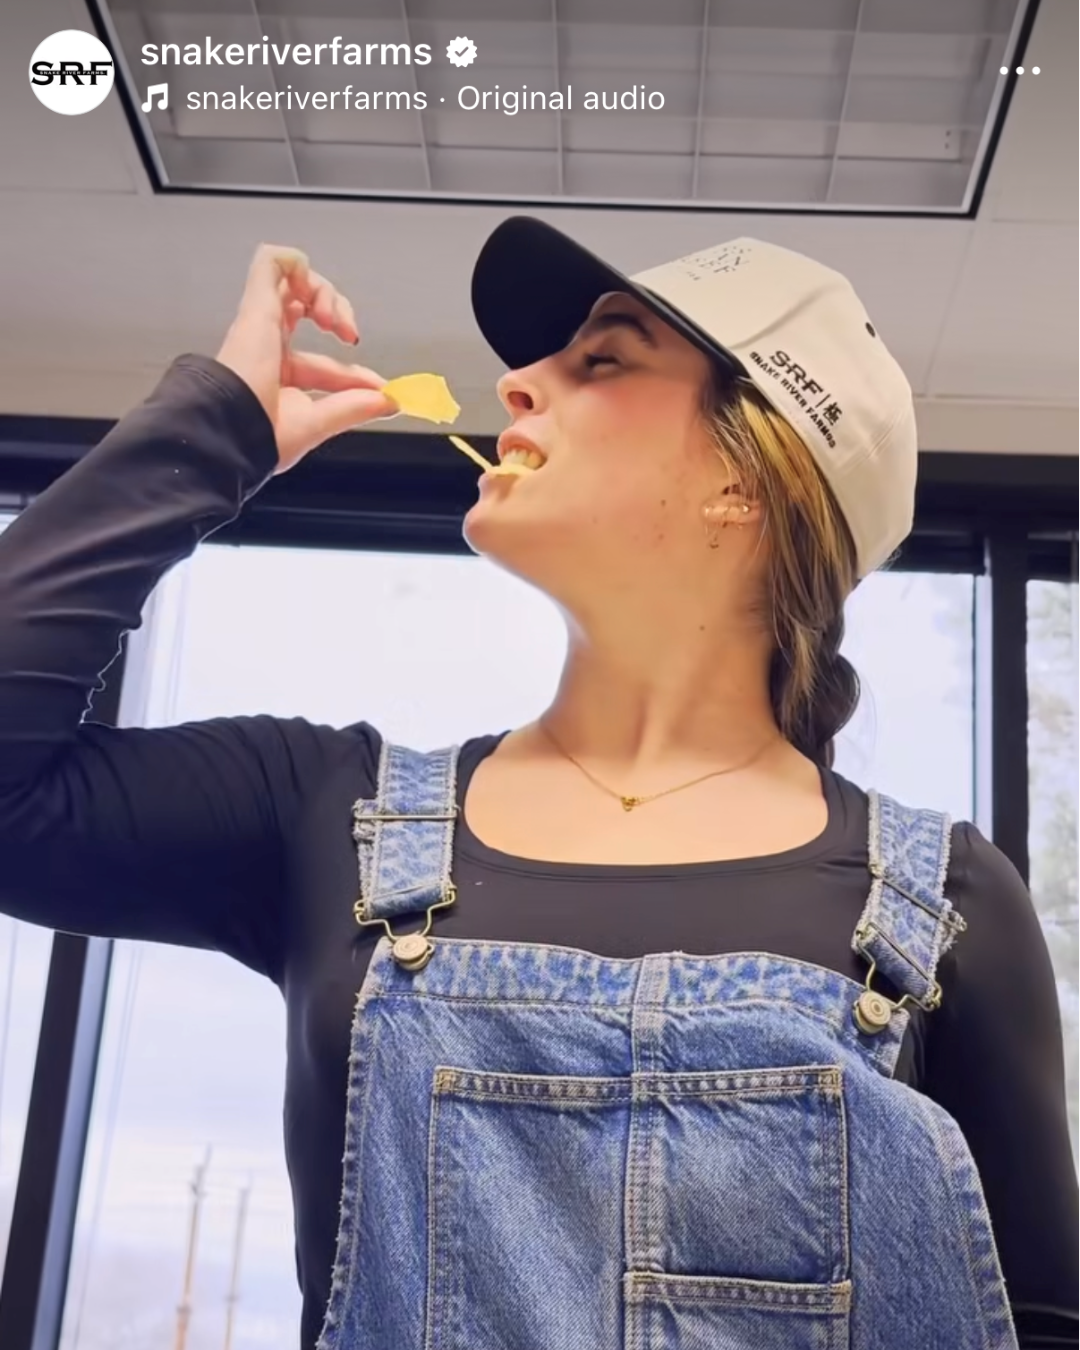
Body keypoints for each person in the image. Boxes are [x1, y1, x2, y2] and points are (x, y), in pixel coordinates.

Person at [0, 219, 1076, 1350]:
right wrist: (213, 427)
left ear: (743, 481)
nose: (516, 383)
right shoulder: (330, 816)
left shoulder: (947, 905)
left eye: (601, 359)